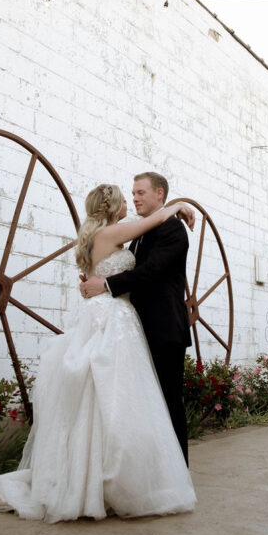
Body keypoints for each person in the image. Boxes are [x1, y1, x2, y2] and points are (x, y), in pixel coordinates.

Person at [0, 183, 196, 523]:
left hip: (116, 316)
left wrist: (101, 279)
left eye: (138, 193)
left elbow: (133, 263)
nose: (132, 200)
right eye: (127, 197)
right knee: (114, 396)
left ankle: (106, 475)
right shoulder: (115, 234)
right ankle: (118, 480)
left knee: (108, 397)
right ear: (111, 208)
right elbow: (154, 224)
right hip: (112, 318)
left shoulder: (108, 237)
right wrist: (178, 205)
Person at [81, 172, 192, 462]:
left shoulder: (173, 231)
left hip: (164, 329)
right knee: (143, 404)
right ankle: (151, 467)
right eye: (132, 193)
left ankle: (178, 468)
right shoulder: (137, 233)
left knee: (168, 401)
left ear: (159, 194)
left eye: (141, 192)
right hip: (133, 329)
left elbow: (152, 271)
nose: (135, 198)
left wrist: (105, 284)